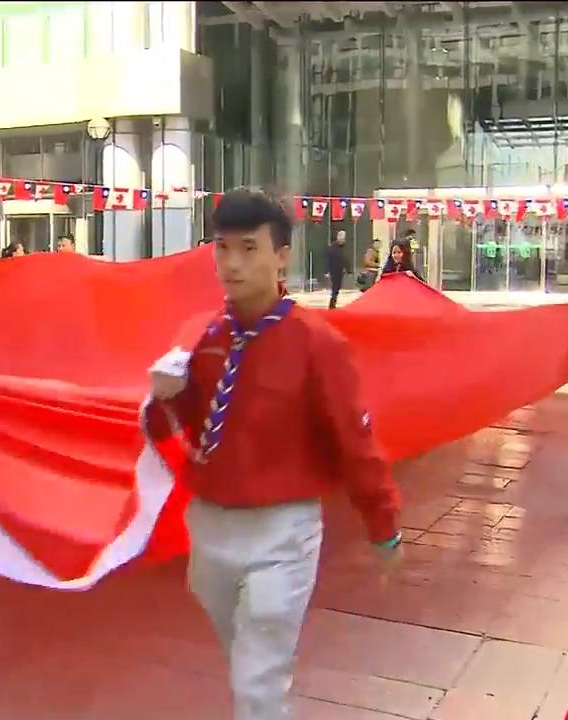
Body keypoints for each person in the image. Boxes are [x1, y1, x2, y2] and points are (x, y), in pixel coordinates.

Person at [143, 187, 402, 720]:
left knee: (256, 679)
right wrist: (161, 398)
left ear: (281, 256)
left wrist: (383, 525)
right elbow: (182, 426)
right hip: (210, 527)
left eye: (249, 248)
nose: (232, 264)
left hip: (282, 533)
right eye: (222, 248)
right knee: (248, 662)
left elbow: (355, 441)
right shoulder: (206, 336)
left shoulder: (316, 344)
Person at [325, 230, 348, 309]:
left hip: (339, 270)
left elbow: (344, 259)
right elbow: (329, 260)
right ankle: (332, 303)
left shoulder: (341, 247)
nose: (344, 240)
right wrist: (327, 271)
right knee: (335, 287)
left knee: (337, 287)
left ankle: (333, 303)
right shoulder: (333, 247)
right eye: (343, 238)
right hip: (334, 270)